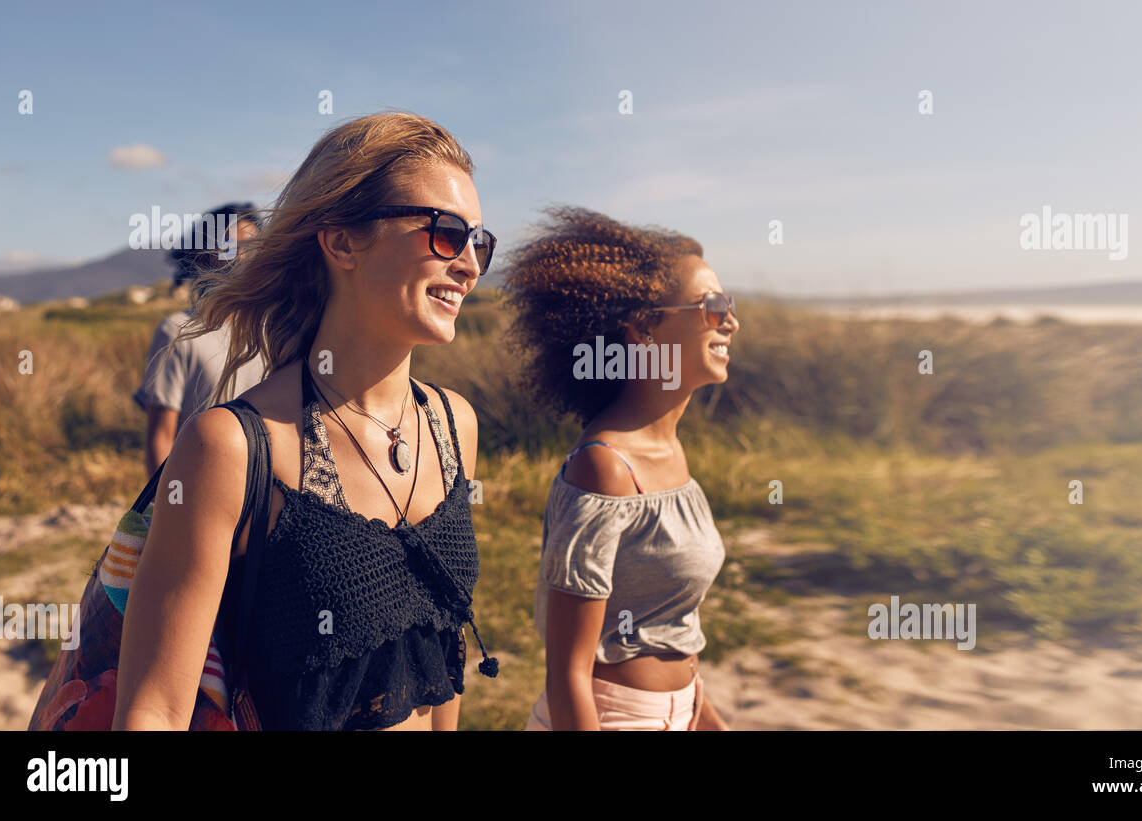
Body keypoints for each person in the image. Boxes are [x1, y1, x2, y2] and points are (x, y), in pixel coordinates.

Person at [112, 111, 499, 730]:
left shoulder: (456, 426)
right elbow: (153, 710)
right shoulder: (231, 448)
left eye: (480, 241)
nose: (470, 265)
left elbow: (436, 672)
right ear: (342, 240)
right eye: (446, 233)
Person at [505, 206, 736, 730]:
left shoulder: (672, 452)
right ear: (643, 329)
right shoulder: (604, 469)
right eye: (711, 306)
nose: (730, 320)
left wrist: (704, 716)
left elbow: (667, 624)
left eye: (729, 304)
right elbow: (567, 674)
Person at [133, 202, 267, 475]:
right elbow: (161, 437)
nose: (243, 256)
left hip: (265, 493)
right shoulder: (178, 333)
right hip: (199, 493)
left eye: (252, 247)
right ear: (205, 255)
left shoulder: (275, 332)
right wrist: (165, 505)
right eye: (230, 245)